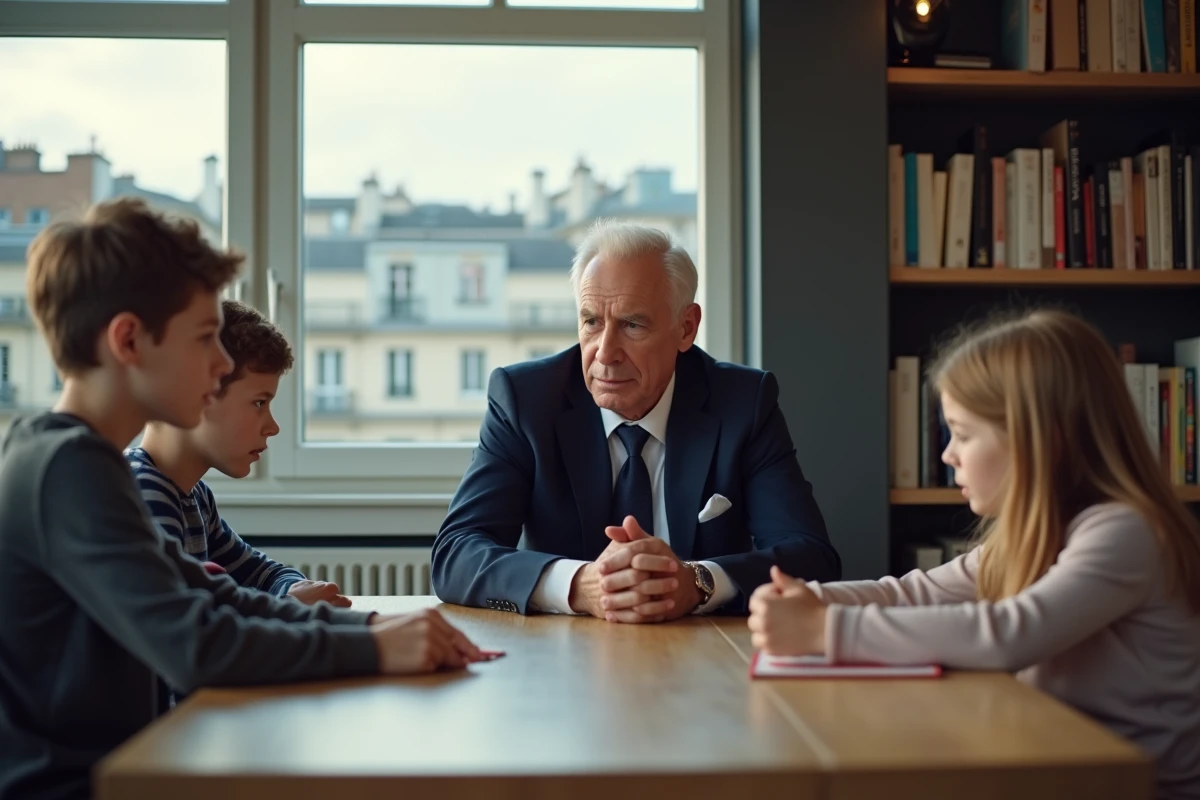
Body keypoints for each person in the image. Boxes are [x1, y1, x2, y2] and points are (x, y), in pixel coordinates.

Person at [0, 198, 482, 800]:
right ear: (128, 340)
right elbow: (195, 643)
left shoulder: (82, 463)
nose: (223, 362)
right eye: (205, 338)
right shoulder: (67, 470)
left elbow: (208, 591)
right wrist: (372, 645)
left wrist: (370, 624)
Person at [748, 309, 1200, 798]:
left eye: (962, 434)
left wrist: (822, 629)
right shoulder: (1036, 531)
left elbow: (1012, 632)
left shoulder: (1124, 532)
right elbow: (913, 592)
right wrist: (809, 599)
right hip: (1063, 764)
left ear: (1040, 441)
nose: (948, 454)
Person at [432, 219, 840, 622]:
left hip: (702, 656)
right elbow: (456, 553)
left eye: (632, 324)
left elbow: (811, 556)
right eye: (591, 321)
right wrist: (579, 585)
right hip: (561, 658)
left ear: (686, 328)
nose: (605, 352)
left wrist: (698, 582)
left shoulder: (742, 404)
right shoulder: (526, 400)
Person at [127, 299, 347, 607]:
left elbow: (262, 573)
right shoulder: (142, 494)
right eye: (259, 402)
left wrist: (290, 593)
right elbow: (186, 622)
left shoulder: (195, 496)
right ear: (200, 393)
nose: (273, 427)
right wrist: (284, 608)